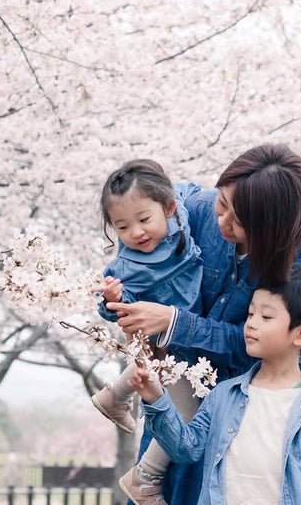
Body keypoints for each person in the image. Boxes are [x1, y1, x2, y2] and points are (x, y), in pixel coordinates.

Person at [105, 144, 301, 504]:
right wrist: (131, 298)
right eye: (223, 204)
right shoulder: (196, 207)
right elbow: (139, 219)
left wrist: (176, 322)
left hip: (241, 406)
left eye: (239, 222)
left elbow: (272, 345)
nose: (222, 221)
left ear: (274, 229)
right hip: (174, 391)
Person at [129, 264, 301, 504]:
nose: (251, 324)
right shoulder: (224, 395)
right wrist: (156, 399)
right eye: (250, 314)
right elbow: (185, 448)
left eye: (266, 317)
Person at [90, 159, 203, 505]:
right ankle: (146, 477)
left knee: (172, 389)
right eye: (122, 227)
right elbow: (112, 305)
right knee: (186, 410)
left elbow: (187, 191)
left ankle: (114, 397)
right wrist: (112, 298)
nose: (136, 233)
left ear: (168, 207)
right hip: (163, 339)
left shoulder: (180, 208)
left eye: (143, 220)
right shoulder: (127, 265)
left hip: (181, 330)